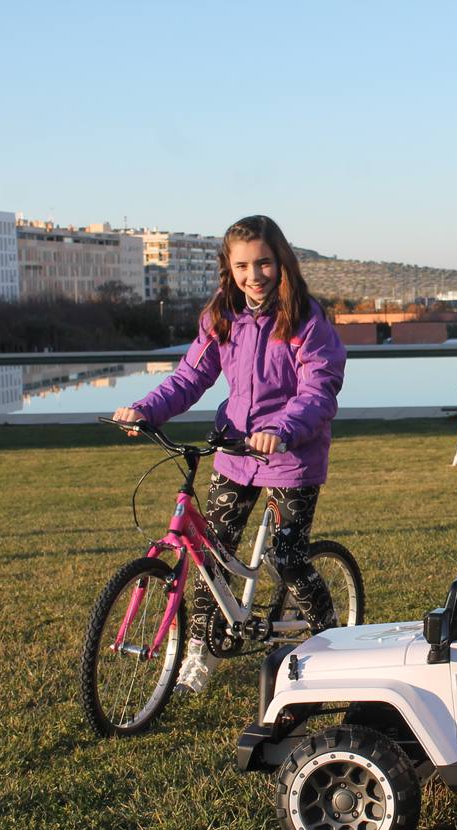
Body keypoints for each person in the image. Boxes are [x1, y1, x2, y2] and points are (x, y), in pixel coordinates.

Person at [113, 214, 346, 694]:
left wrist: (282, 428)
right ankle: (202, 651)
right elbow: (189, 377)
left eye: (263, 263)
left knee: (288, 559)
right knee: (209, 558)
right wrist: (145, 411)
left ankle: (335, 641)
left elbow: (319, 389)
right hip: (234, 451)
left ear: (281, 262)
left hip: (290, 455)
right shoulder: (223, 314)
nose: (253, 275)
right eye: (242, 265)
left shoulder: (306, 318)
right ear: (229, 267)